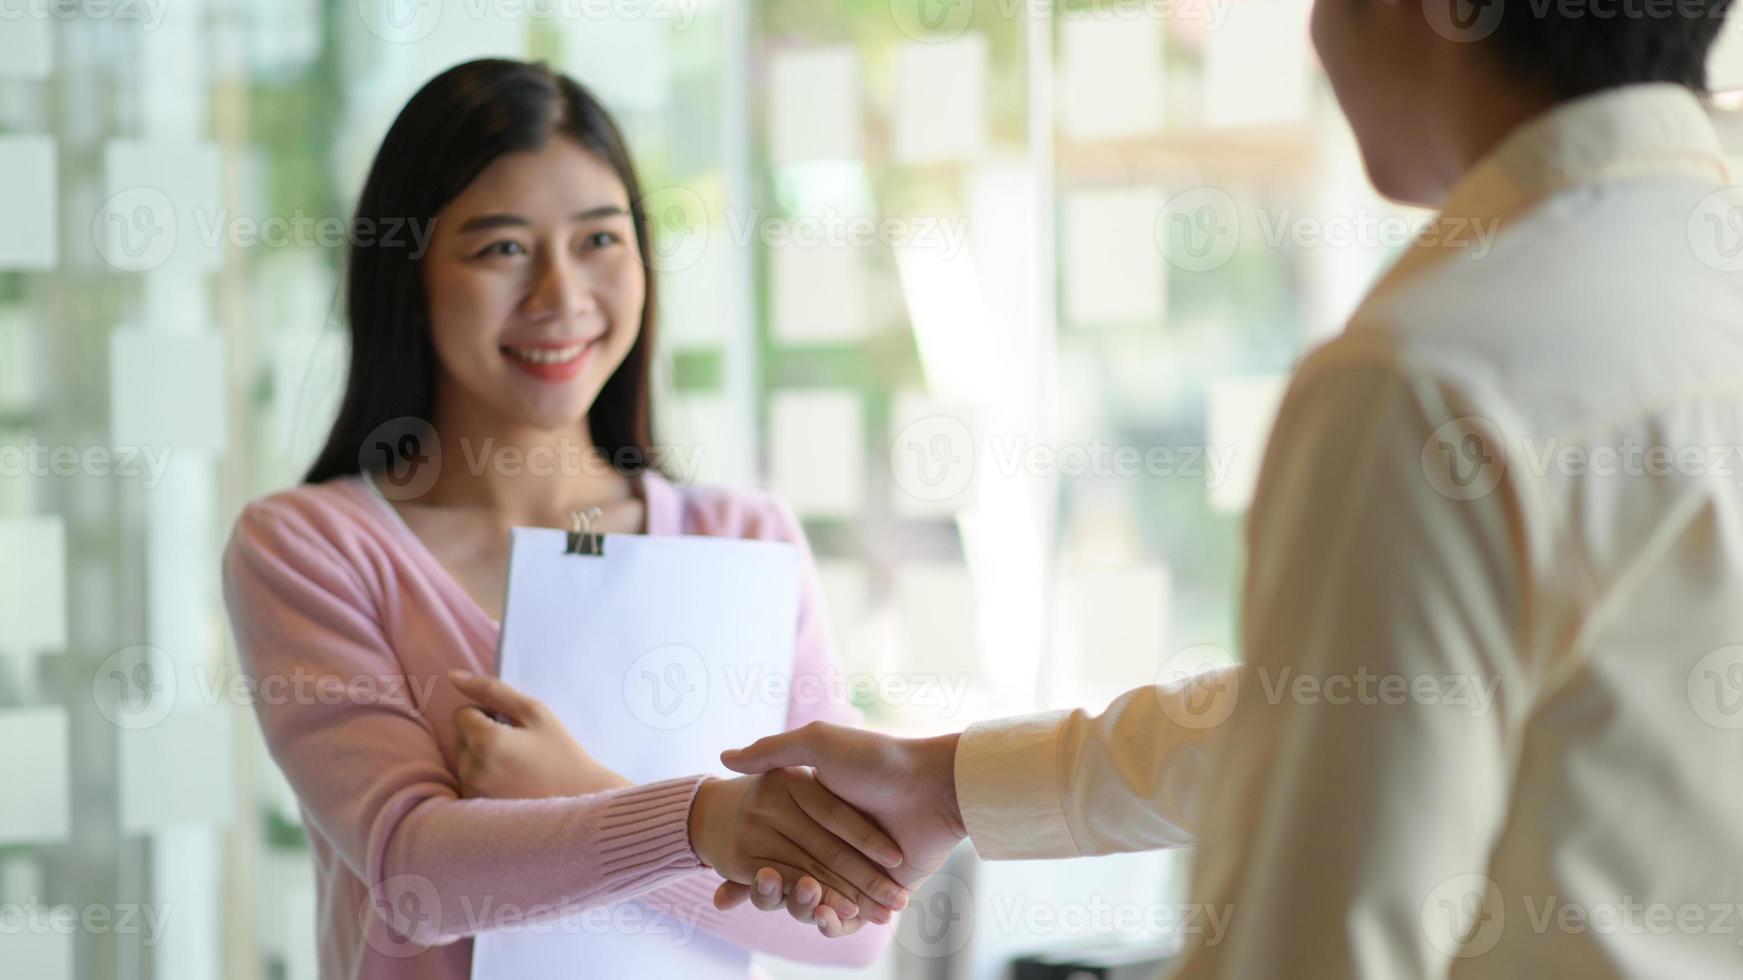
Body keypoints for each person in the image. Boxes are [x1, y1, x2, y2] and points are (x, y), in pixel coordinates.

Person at [541, 4, 1743, 975]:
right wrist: (949, 781)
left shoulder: (1431, 377)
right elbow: (1337, 707)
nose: (1315, 35)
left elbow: (1315, 939)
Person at [220, 58, 907, 980]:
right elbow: (415, 872)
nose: (560, 295)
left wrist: (593, 796)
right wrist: (709, 825)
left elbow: (858, 921)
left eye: (598, 240)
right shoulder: (310, 547)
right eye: (501, 247)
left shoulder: (746, 541)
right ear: (408, 275)